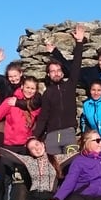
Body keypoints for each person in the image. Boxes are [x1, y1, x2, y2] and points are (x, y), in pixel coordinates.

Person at [33, 25, 85, 155]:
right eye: (52, 71)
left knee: (70, 165)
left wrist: (79, 43)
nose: (56, 73)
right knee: (54, 169)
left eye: (58, 70)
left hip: (69, 133)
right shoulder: (47, 93)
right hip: (51, 136)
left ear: (62, 73)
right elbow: (43, 117)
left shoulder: (70, 85)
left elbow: (76, 66)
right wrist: (34, 136)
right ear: (48, 74)